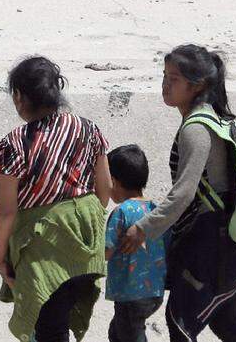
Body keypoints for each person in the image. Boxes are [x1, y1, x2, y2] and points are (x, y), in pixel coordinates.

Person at [118, 45, 236, 342]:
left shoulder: (196, 128)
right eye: (165, 76)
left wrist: (143, 229)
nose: (165, 85)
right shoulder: (210, 118)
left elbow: (182, 193)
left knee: (180, 320)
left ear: (197, 86)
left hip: (211, 239)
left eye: (174, 79)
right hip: (229, 235)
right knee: (223, 321)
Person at [0, 56, 111, 342]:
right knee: (57, 323)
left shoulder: (14, 144)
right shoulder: (89, 129)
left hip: (44, 249)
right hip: (86, 244)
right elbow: (104, 190)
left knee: (48, 328)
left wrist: (0, 258)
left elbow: (6, 212)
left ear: (19, 96)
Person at [104, 145, 167, 342]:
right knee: (117, 333)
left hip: (129, 293)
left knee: (129, 334)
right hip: (154, 292)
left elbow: (106, 252)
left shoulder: (121, 212)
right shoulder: (155, 211)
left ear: (113, 181)